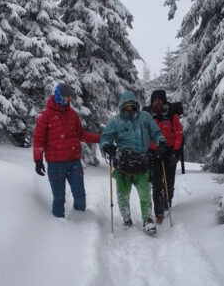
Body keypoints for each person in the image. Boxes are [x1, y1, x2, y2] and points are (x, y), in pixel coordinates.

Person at [100, 90, 168, 234]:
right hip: (123, 166)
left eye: (132, 105)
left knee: (145, 194)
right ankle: (127, 219)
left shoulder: (145, 117)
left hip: (142, 163)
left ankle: (148, 220)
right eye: (126, 106)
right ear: (122, 106)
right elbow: (106, 136)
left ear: (136, 105)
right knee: (123, 194)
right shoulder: (115, 121)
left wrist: (160, 141)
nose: (129, 109)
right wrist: (107, 145)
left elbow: (156, 132)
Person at [32, 82, 100, 218]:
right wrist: (38, 160)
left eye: (70, 96)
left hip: (74, 162)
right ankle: (59, 229)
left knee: (80, 195)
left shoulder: (72, 115)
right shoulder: (45, 115)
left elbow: (81, 134)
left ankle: (81, 222)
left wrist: (99, 138)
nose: (69, 99)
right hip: (55, 164)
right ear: (58, 96)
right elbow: (38, 140)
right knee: (59, 199)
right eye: (66, 96)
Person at [144, 89, 184, 224]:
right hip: (154, 154)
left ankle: (168, 202)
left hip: (170, 153)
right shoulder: (147, 115)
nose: (157, 103)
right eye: (155, 100)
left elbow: (179, 134)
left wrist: (176, 153)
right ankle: (159, 212)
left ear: (164, 101)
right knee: (156, 184)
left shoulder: (171, 115)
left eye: (160, 100)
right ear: (152, 102)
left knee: (169, 181)